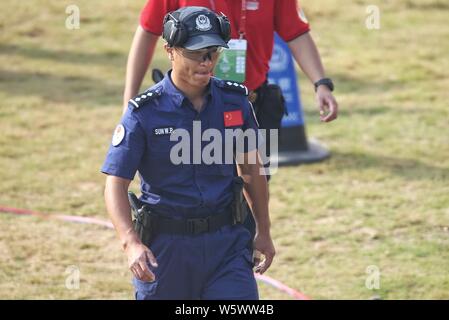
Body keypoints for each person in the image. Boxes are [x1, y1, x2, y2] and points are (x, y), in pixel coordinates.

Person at [102, 7, 274, 300]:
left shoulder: (235, 102)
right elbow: (115, 184)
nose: (207, 63)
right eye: (196, 54)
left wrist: (264, 230)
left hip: (227, 247)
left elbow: (251, 171)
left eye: (213, 53)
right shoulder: (143, 114)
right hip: (166, 251)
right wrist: (130, 242)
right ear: (170, 50)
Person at [123, 0, 338, 125]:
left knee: (256, 184)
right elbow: (148, 32)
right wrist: (129, 100)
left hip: (251, 103)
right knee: (196, 190)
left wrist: (321, 83)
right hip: (190, 107)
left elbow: (296, 33)